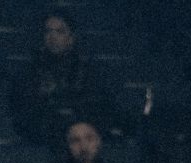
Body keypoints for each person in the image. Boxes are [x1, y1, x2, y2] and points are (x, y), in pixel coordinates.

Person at [9, 11, 116, 147]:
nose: (52, 36)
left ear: (71, 37)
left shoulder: (89, 72)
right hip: (41, 140)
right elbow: (22, 110)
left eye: (60, 31)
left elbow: (100, 107)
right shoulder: (29, 73)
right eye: (48, 31)